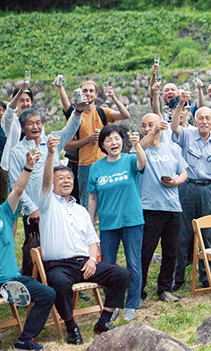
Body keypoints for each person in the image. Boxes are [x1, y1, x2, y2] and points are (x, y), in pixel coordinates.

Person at [30, 136, 129, 344]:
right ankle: (70, 325)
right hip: (59, 266)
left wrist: (92, 260)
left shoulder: (81, 210)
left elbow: (93, 241)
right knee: (59, 282)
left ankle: (104, 320)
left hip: (84, 263)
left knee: (121, 274)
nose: (66, 181)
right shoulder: (48, 204)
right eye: (61, 178)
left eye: (69, 177)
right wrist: (50, 154)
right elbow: (46, 181)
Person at [0, 148, 56, 351]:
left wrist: (28, 167)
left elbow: (17, 189)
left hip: (13, 279)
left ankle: (25, 339)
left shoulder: (5, 213)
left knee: (47, 294)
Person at [8, 106, 83, 276]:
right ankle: (33, 283)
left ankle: (64, 278)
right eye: (30, 123)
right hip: (35, 213)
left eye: (38, 123)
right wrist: (31, 208)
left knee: (61, 245)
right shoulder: (17, 152)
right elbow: (15, 185)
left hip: (56, 208)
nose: (35, 127)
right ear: (23, 127)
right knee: (34, 249)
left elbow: (70, 129)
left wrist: (77, 112)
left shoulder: (52, 142)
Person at [171, 92, 211, 291]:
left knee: (208, 234)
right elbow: (174, 127)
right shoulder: (187, 134)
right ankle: (178, 277)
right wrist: (181, 105)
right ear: (195, 120)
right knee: (183, 235)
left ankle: (207, 277)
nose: (204, 122)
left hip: (209, 190)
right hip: (187, 188)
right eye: (201, 118)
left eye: (208, 118)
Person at [87, 125, 146, 321]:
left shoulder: (130, 160)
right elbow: (93, 198)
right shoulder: (96, 167)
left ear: (123, 141)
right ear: (103, 144)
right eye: (109, 140)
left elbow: (142, 163)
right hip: (107, 223)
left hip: (132, 220)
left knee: (134, 264)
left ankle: (132, 305)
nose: (114, 143)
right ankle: (111, 307)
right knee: (107, 266)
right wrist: (90, 224)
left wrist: (137, 145)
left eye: (117, 138)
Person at [139, 114, 187, 303]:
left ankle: (164, 289)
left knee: (170, 251)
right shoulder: (141, 149)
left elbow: (184, 172)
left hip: (173, 207)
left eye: (151, 124)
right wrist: (153, 132)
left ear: (160, 125)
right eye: (144, 125)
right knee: (145, 252)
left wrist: (176, 181)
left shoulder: (173, 148)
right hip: (149, 207)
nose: (147, 128)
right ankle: (139, 291)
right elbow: (140, 148)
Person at [62, 81, 130, 208]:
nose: (88, 94)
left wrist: (113, 97)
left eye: (91, 91)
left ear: (96, 94)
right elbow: (66, 145)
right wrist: (88, 139)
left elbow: (125, 115)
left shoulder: (102, 112)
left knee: (107, 199)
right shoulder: (76, 116)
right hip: (85, 165)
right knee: (87, 201)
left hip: (105, 162)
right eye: (85, 91)